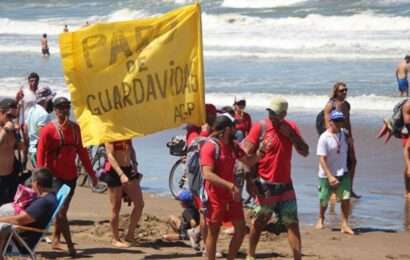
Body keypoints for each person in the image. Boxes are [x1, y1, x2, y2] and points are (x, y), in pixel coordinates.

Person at [243, 97, 309, 260]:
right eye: (270, 112)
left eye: (276, 113)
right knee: (259, 223)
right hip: (265, 185)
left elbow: (305, 151)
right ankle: (250, 255)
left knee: (292, 223)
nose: (272, 116)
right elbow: (245, 155)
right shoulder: (261, 127)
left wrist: (292, 135)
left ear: (284, 114)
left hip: (286, 185)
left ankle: (297, 257)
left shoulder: (291, 127)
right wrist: (249, 181)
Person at [36, 97, 97, 256]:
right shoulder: (48, 130)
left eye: (67, 108)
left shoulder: (76, 129)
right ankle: (70, 246)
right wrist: (39, 178)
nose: (65, 111)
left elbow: (83, 154)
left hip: (71, 177)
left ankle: (56, 238)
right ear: (55, 110)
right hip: (54, 178)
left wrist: (92, 174)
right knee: (61, 212)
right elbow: (41, 153)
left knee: (62, 210)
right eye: (61, 108)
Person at [200, 114, 263, 260]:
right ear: (227, 129)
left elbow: (248, 161)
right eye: (233, 127)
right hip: (215, 195)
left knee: (240, 230)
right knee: (213, 232)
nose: (236, 130)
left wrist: (261, 152)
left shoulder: (233, 146)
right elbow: (207, 174)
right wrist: (230, 185)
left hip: (231, 194)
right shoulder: (210, 146)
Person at [0, 167, 57, 257]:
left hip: (20, 241)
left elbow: (19, 220)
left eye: (32, 182)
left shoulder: (44, 202)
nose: (31, 185)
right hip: (19, 235)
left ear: (37, 184)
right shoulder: (49, 197)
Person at [315, 111, 354, 235]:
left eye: (340, 121)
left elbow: (349, 151)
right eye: (335, 121)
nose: (338, 123)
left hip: (343, 172)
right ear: (330, 122)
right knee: (324, 200)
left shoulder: (345, 134)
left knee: (346, 198)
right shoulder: (324, 137)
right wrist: (330, 176)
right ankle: (321, 218)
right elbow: (321, 159)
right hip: (326, 174)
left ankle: (344, 224)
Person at [104, 138, 144, 248]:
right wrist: (121, 174)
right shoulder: (110, 133)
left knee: (139, 204)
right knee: (116, 207)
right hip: (114, 171)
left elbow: (131, 149)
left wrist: (135, 166)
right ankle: (115, 238)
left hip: (128, 169)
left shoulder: (126, 131)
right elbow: (110, 156)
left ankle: (130, 236)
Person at [323, 82, 359, 199]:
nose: (344, 92)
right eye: (341, 90)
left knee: (353, 161)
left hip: (345, 135)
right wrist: (333, 140)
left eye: (345, 90)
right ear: (335, 92)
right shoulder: (330, 105)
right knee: (335, 163)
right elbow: (327, 124)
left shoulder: (347, 105)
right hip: (334, 136)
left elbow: (348, 122)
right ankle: (333, 192)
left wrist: (350, 137)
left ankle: (349, 189)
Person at [378, 100, 410, 198]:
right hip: (408, 134)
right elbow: (407, 122)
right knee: (408, 165)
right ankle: (408, 190)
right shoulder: (408, 105)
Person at [0, 98, 23, 206]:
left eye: (13, 117)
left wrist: (22, 136)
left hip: (11, 176)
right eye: (9, 116)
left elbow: (22, 148)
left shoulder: (12, 129)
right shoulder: (6, 129)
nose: (11, 120)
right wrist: (5, 130)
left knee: (9, 208)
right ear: (1, 112)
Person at [26, 87, 55, 167]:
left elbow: (26, 128)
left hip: (31, 149)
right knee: (43, 177)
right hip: (39, 152)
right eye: (50, 100)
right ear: (45, 100)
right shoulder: (43, 114)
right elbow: (43, 137)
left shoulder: (32, 110)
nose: (51, 102)